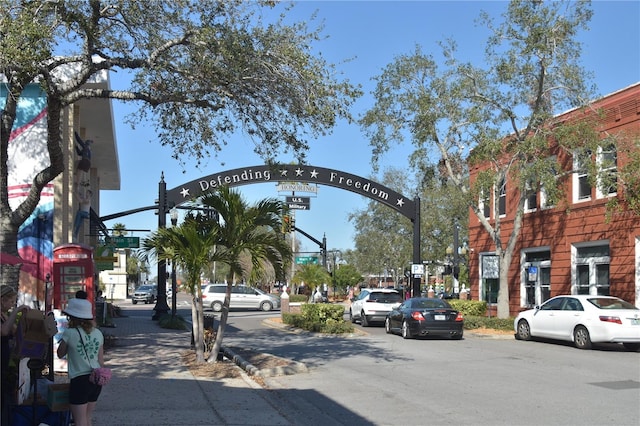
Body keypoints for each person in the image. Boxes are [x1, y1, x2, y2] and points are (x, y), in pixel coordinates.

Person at [57, 298, 105, 426]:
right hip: (96, 378)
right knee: (87, 418)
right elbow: (101, 361)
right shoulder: (98, 333)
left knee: (79, 421)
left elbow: (60, 353)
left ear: (71, 317)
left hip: (80, 380)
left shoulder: (70, 333)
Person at [1, 286, 30, 426]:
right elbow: (4, 331)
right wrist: (16, 312)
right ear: (3, 300)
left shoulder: (4, 315)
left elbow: (13, 331)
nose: (13, 304)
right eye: (11, 301)